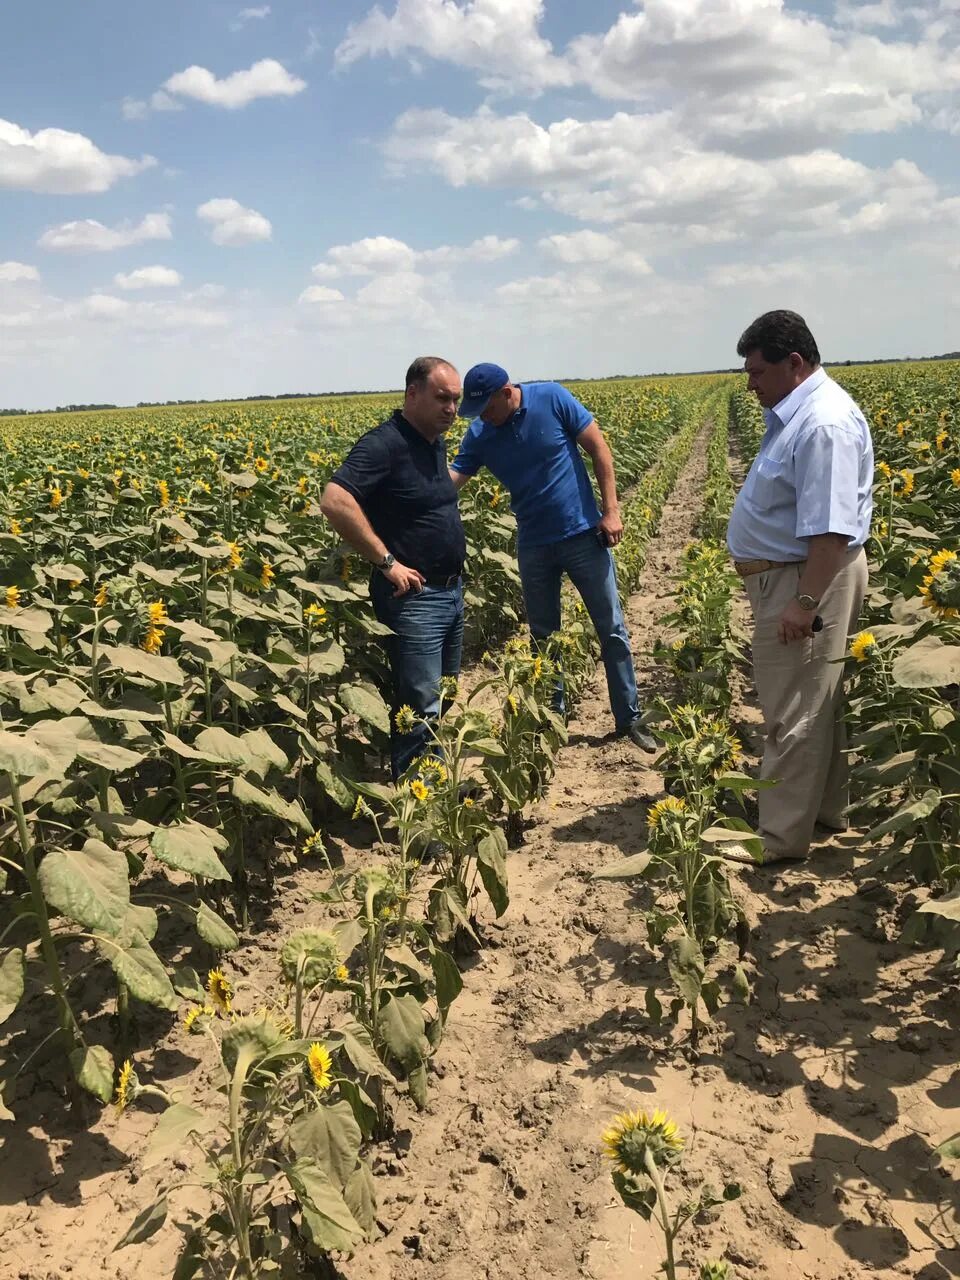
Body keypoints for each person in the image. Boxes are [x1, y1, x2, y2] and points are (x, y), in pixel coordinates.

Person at [726, 310, 873, 865]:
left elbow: (831, 531)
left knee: (793, 712)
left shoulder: (823, 424)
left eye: (758, 372)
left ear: (795, 363)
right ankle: (824, 812)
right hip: (796, 576)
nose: (750, 383)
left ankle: (779, 837)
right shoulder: (800, 415)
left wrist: (803, 602)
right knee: (817, 701)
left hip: (808, 580)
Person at [449, 363, 656, 751]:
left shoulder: (552, 398)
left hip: (582, 535)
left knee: (610, 628)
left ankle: (629, 718)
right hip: (533, 544)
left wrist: (611, 511)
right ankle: (553, 721)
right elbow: (452, 482)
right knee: (543, 639)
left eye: (486, 409)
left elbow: (599, 448)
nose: (482, 418)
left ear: (506, 392)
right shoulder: (480, 432)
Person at [320, 357, 465, 781]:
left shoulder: (432, 443)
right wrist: (387, 563)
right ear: (412, 393)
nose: (451, 409)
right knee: (420, 708)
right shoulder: (385, 444)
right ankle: (419, 816)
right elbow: (335, 500)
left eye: (456, 400)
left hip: (451, 594)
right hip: (415, 600)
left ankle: (422, 787)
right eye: (442, 398)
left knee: (442, 695)